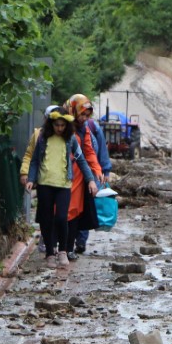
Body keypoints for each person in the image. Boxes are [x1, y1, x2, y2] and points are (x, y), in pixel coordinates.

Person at [25, 110, 97, 268]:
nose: (59, 128)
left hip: (64, 184)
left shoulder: (71, 139)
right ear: (51, 124)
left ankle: (63, 250)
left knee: (61, 217)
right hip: (45, 184)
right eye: (57, 125)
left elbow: (81, 159)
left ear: (67, 125)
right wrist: (31, 179)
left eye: (63, 125)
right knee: (46, 218)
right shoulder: (43, 138)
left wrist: (90, 180)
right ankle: (50, 253)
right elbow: (35, 160)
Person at [66, 95, 110, 258]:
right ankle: (54, 247)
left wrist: (98, 171)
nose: (84, 118)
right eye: (82, 114)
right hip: (60, 175)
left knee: (75, 211)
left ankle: (68, 248)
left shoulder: (85, 129)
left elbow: (89, 151)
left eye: (86, 115)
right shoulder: (62, 126)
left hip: (79, 176)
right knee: (60, 211)